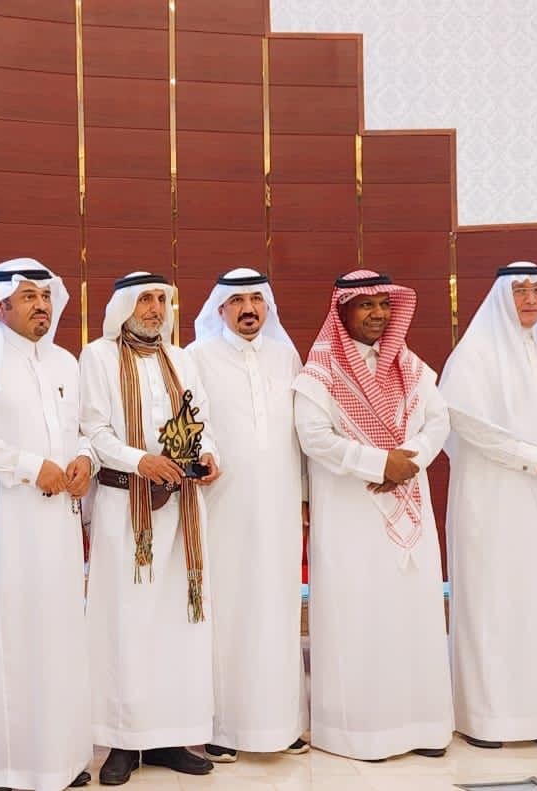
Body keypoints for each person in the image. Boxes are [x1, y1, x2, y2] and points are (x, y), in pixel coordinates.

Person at [0, 259, 94, 791]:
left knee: (55, 636)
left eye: (46, 296)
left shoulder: (64, 362)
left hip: (57, 530)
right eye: (29, 296)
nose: (42, 306)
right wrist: (30, 467)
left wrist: (84, 459)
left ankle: (57, 761)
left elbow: (81, 427)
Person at [292, 270, 453, 762]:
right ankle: (362, 734)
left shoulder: (410, 366)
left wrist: (408, 460)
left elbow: (439, 420)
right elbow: (313, 437)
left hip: (410, 508)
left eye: (384, 304)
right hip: (351, 517)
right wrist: (379, 463)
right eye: (366, 305)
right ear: (342, 312)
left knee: (413, 615)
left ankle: (423, 728)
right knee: (360, 618)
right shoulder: (319, 372)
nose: (378, 314)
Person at [439, 262, 537, 749]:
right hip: (493, 499)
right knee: (494, 603)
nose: (530, 299)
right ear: (502, 296)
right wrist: (534, 457)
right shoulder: (476, 352)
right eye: (520, 290)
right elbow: (466, 422)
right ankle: (486, 720)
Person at [78, 271, 221, 786]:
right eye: (146, 299)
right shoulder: (97, 357)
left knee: (177, 622)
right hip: (126, 509)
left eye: (162, 299)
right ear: (124, 306)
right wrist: (141, 461)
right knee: (127, 622)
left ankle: (169, 737)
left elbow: (203, 422)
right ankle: (122, 741)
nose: (156, 308)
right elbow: (94, 430)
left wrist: (210, 455)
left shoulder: (182, 359)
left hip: (182, 508)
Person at [184, 268, 308, 762]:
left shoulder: (285, 355)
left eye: (256, 299)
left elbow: (299, 432)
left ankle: (283, 724)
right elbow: (194, 425)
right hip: (224, 504)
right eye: (237, 301)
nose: (248, 309)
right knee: (230, 609)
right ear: (220, 309)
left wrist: (304, 496)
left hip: (280, 503)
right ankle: (225, 727)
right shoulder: (197, 357)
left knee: (278, 606)